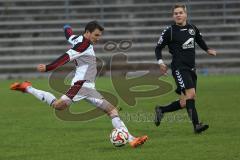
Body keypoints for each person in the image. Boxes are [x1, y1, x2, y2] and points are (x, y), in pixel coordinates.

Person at [10, 21, 148, 147]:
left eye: (99, 35)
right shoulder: (83, 45)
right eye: (96, 35)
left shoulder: (79, 39)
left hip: (87, 86)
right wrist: (48, 67)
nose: (98, 38)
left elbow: (69, 36)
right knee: (64, 106)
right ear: (87, 32)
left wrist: (67, 28)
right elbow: (66, 57)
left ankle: (27, 87)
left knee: (107, 110)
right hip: (81, 86)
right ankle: (28, 88)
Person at [154, 4, 217, 133]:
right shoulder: (169, 31)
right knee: (191, 94)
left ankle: (161, 110)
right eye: (175, 13)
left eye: (180, 12)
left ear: (185, 14)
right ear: (173, 16)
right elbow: (158, 48)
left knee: (184, 102)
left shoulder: (192, 28)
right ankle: (196, 125)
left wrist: (207, 49)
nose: (178, 15)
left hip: (191, 68)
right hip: (179, 68)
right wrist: (161, 62)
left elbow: (199, 40)